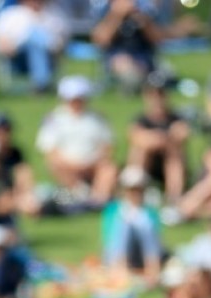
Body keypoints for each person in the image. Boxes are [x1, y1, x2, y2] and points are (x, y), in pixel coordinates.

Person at [36, 75, 118, 207]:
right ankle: (81, 194)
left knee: (109, 169)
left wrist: (93, 162)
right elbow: (50, 151)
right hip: (67, 166)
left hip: (94, 164)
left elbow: (107, 146)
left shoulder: (98, 118)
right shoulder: (54, 119)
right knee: (54, 164)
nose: (77, 101)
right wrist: (74, 165)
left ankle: (99, 199)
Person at [92, 0, 162, 92]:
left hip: (144, 58)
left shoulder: (144, 7)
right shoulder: (104, 8)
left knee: (157, 75)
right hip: (117, 58)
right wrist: (118, 15)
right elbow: (101, 40)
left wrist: (142, 18)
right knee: (127, 69)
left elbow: (157, 39)